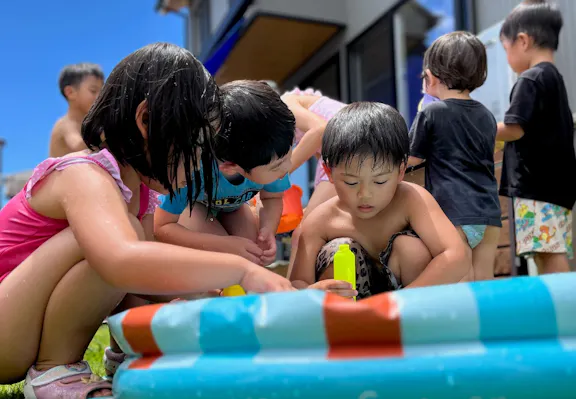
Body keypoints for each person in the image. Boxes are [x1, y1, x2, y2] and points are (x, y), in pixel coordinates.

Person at [0, 43, 293, 398]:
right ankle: (54, 371)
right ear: (147, 121)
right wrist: (241, 269)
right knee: (113, 241)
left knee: (150, 256)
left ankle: (117, 354)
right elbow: (121, 260)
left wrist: (224, 296)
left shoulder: (141, 192)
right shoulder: (85, 175)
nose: (200, 165)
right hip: (7, 331)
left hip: (20, 328)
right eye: (198, 149)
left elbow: (149, 276)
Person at [290, 102, 470, 298]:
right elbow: (297, 282)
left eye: (380, 181)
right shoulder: (320, 221)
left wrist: (401, 301)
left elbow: (456, 256)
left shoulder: (411, 199)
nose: (365, 194)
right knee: (340, 250)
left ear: (401, 171)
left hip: (408, 304)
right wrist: (313, 291)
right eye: (351, 182)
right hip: (350, 309)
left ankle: (416, 324)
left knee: (411, 249)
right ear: (329, 172)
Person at [154, 80, 294, 266]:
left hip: (233, 207)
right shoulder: (193, 171)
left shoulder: (270, 156)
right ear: (231, 166)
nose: (287, 168)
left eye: (288, 156)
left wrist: (268, 228)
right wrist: (224, 244)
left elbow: (272, 199)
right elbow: (162, 226)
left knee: (254, 255)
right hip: (193, 206)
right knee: (225, 262)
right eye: (278, 165)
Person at [407, 32, 502, 281]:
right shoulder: (487, 116)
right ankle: (490, 321)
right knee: (484, 281)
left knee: (459, 280)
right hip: (488, 212)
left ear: (432, 76)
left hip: (454, 209)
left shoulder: (432, 113)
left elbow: (409, 159)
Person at [497, 1, 576, 274]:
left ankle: (565, 314)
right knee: (549, 252)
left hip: (537, 187)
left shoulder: (530, 79)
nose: (507, 58)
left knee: (548, 254)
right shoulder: (553, 78)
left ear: (523, 41)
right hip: (556, 186)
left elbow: (514, 128)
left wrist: (479, 127)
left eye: (505, 49)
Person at [281, 88, 347, 273]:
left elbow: (321, 129)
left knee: (303, 233)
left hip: (344, 147)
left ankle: (294, 292)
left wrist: (278, 175)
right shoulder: (308, 107)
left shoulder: (286, 102)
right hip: (351, 148)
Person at [49, 63, 105, 157]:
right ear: (70, 92)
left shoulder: (90, 124)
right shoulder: (65, 124)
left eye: (102, 91)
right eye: (93, 91)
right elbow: (78, 146)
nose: (100, 96)